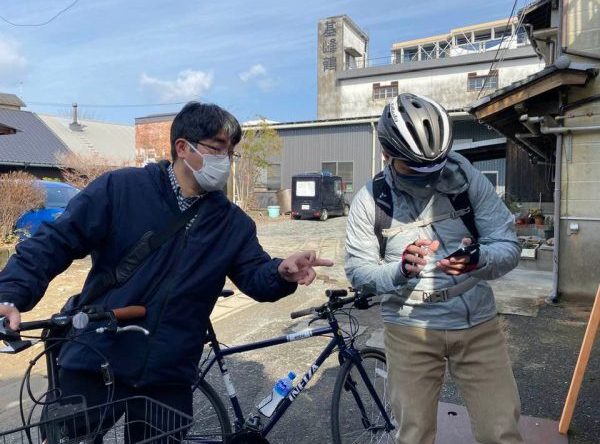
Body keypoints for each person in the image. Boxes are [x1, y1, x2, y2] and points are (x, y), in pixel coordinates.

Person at [0, 101, 333, 439]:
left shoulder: (232, 223)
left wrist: (281, 273)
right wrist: (11, 293)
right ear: (183, 148)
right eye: (217, 148)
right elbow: (56, 241)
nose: (226, 161)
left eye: (231, 152)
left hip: (168, 372)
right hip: (97, 356)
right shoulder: (121, 189)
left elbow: (256, 276)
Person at [345, 93, 523, 444]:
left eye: (436, 166)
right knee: (414, 434)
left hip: (477, 324)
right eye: (415, 168)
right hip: (408, 327)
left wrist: (478, 260)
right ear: (387, 154)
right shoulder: (370, 199)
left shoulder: (467, 179)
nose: (429, 177)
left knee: (501, 431)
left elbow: (509, 246)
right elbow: (359, 272)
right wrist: (400, 271)